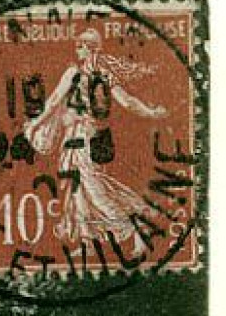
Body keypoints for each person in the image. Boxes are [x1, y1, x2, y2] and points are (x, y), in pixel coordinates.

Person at [24, 27, 169, 255]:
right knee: (77, 190)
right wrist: (151, 113)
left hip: (79, 137)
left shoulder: (74, 73)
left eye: (80, 46)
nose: (78, 50)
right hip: (88, 136)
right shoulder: (104, 75)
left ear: (87, 48)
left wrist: (35, 123)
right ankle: (87, 242)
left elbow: (52, 102)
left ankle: (135, 230)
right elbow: (128, 102)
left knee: (93, 189)